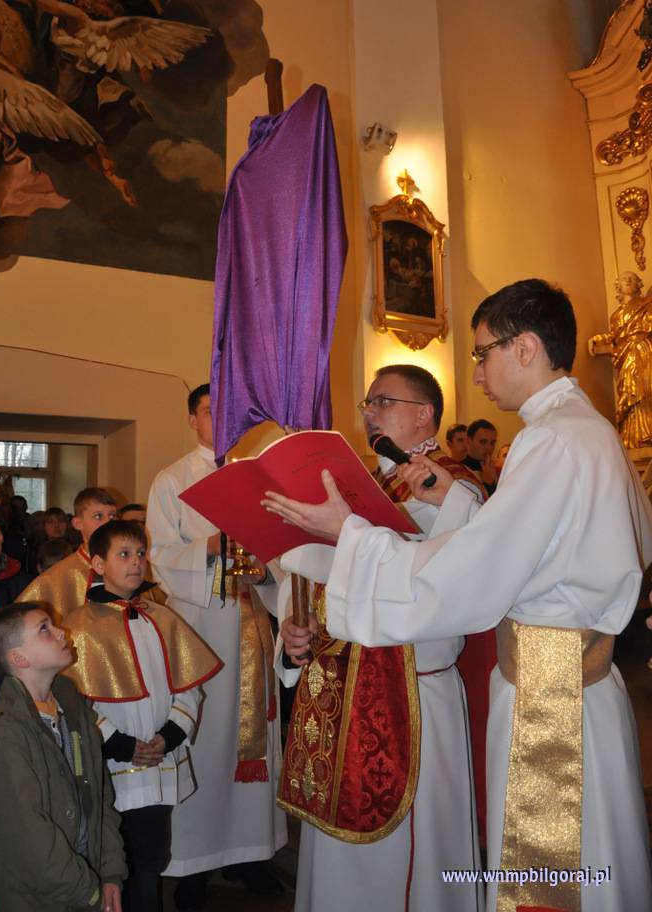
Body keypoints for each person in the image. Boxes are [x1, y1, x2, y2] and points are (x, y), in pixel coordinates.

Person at [263, 279, 652, 912]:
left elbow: (472, 578)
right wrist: (465, 506)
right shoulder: (588, 429)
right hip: (574, 677)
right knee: (584, 859)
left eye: (482, 352)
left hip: (549, 692)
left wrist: (349, 534)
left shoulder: (551, 440)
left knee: (550, 877)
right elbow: (587, 549)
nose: (476, 372)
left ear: (525, 347)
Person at [277, 364, 484, 912]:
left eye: (383, 402)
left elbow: (446, 578)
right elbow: (325, 574)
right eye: (367, 403)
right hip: (342, 686)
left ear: (424, 415)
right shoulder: (365, 485)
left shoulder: (454, 489)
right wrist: (296, 627)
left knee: (410, 862)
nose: (369, 412)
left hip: (412, 693)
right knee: (337, 853)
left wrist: (350, 537)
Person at [147, 384, 286, 911]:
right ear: (192, 419)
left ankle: (250, 854)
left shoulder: (257, 477)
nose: (219, 420)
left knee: (253, 743)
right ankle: (194, 864)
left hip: (251, 623)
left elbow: (282, 551)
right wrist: (208, 547)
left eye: (228, 412)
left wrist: (268, 570)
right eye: (209, 411)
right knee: (201, 740)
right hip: (200, 628)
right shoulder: (173, 479)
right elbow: (160, 557)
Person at [63, 520, 222, 912]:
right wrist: (119, 744)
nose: (136, 562)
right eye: (124, 554)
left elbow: (189, 687)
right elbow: (75, 701)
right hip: (112, 769)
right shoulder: (78, 627)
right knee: (116, 865)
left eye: (140, 553)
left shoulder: (161, 617)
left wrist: (170, 736)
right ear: (98, 564)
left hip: (159, 760)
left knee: (152, 860)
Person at [0, 602, 127, 912]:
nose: (61, 632)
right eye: (44, 628)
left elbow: (100, 800)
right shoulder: (3, 733)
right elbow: (27, 838)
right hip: (33, 898)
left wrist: (110, 872)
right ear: (19, 658)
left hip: (85, 887)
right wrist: (89, 892)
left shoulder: (73, 711)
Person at [17, 487, 117, 620]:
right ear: (78, 523)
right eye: (98, 516)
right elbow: (19, 622)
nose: (108, 523)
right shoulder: (56, 577)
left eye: (112, 516)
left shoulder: (129, 567)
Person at [588, 270, 652, 448]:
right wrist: (597, 339)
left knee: (644, 390)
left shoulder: (647, 305)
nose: (628, 281)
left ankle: (648, 432)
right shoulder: (616, 316)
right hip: (626, 355)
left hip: (643, 351)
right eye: (624, 279)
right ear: (618, 286)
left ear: (638, 284)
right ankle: (633, 436)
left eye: (632, 279)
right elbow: (613, 335)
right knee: (629, 392)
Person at [464, 418, 498, 495]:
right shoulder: (458, 471)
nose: (489, 448)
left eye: (492, 443)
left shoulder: (495, 470)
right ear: (468, 440)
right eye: (483, 442)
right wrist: (488, 483)